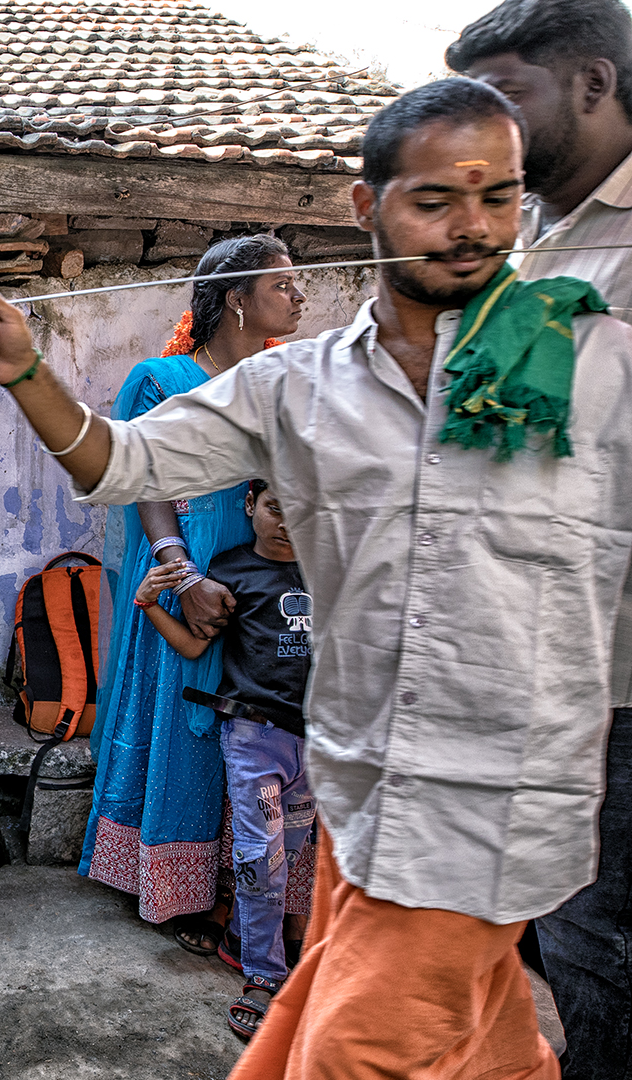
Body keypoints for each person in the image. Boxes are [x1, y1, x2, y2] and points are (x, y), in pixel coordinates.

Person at [0, 76, 632, 1078]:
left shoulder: (588, 360)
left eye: (497, 198)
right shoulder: (297, 388)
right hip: (357, 789)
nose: (472, 228)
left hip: (501, 803)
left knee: (352, 1050)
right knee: (466, 1045)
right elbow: (119, 464)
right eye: (435, 201)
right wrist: (22, 374)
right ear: (368, 209)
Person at [449, 3, 632, 1073]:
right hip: (530, 671)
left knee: (599, 951)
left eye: (507, 99)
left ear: (595, 87)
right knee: (548, 945)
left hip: (616, 680)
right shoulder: (530, 243)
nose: (484, 131)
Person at [82, 236, 306, 956]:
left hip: (263, 579)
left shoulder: (282, 379)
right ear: (237, 298)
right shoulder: (162, 377)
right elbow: (145, 479)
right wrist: (184, 576)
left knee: (257, 722)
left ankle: (244, 889)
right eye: (283, 286)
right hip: (186, 570)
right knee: (188, 721)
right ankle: (175, 886)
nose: (298, 298)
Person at [133, 481, 316, 1039]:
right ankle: (263, 977)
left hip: (317, 742)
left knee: (292, 849)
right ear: (251, 506)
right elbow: (194, 646)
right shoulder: (229, 572)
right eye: (275, 507)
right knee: (261, 856)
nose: (286, 522)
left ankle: (243, 938)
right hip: (255, 736)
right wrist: (147, 604)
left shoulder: (331, 570)